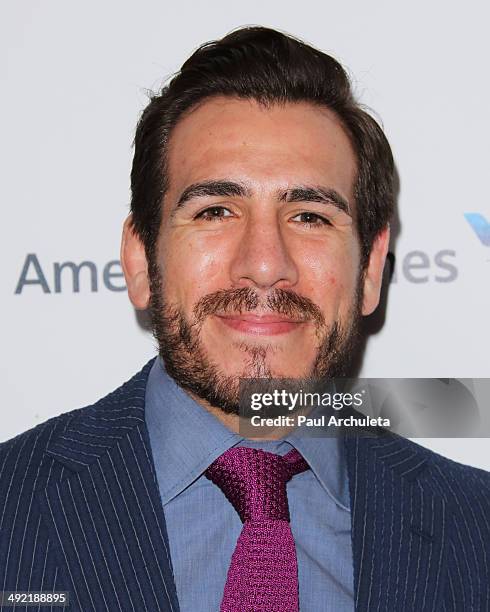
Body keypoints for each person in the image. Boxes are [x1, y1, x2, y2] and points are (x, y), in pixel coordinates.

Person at [1, 26, 488, 612]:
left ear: (369, 270)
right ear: (140, 260)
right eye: (215, 210)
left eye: (310, 216)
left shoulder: (475, 529)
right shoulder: (12, 503)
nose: (263, 266)